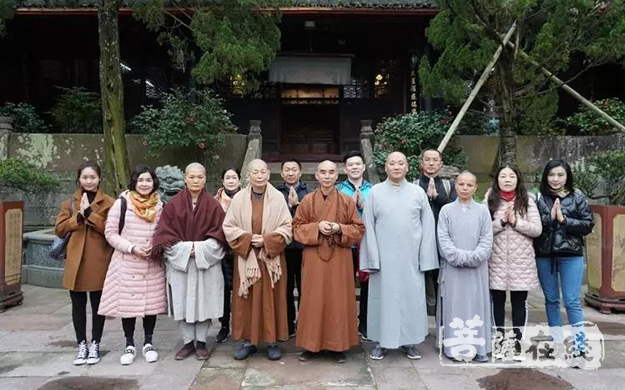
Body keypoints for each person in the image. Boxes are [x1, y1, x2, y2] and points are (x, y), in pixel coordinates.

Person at [360, 151, 438, 361]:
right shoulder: (375, 192)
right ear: (385, 167)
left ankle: (409, 341)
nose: (396, 167)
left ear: (407, 167)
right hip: (383, 260)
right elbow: (367, 226)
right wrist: (372, 259)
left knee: (411, 300)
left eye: (400, 163)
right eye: (392, 163)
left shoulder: (417, 193)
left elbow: (428, 227)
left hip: (410, 258)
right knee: (381, 300)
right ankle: (380, 342)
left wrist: (425, 258)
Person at [152, 162, 227, 361]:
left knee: (205, 301)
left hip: (206, 263)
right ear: (185, 178)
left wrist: (200, 250)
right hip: (181, 264)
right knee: (183, 300)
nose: (196, 180)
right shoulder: (173, 205)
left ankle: (201, 342)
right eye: (192, 177)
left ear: (205, 179)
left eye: (200, 177)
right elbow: (165, 234)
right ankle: (187, 342)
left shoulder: (213, 205)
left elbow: (221, 234)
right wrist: (186, 250)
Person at [293, 160, 364, 364]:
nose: (326, 176)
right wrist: (317, 227)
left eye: (331, 172)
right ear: (316, 176)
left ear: (336, 176)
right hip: (314, 257)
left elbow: (359, 229)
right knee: (312, 300)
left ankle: (337, 346)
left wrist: (339, 228)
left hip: (339, 259)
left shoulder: (346, 201)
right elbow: (296, 228)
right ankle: (310, 345)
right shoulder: (307, 200)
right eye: (322, 172)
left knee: (337, 300)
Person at [222, 159, 293, 361]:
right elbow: (228, 227)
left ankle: (272, 341)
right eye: (255, 172)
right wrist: (248, 239)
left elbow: (288, 228)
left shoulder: (278, 198)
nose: (260, 175)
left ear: (269, 174)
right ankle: (248, 341)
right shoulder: (238, 199)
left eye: (263, 172)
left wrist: (267, 240)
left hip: (270, 259)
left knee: (272, 301)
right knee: (246, 300)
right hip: (247, 258)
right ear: (248, 176)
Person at [99, 165, 167, 365]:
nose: (145, 184)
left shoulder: (159, 205)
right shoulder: (122, 203)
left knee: (150, 305)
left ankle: (148, 342)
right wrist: (131, 247)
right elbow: (110, 233)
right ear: (134, 183)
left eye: (148, 180)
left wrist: (157, 248)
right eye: (140, 180)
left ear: (153, 182)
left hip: (151, 263)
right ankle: (129, 343)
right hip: (127, 263)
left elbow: (163, 231)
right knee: (127, 306)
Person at [54, 161, 114, 365]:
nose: (89, 181)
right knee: (77, 305)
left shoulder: (109, 202)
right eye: (85, 177)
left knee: (98, 305)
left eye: (93, 177)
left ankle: (95, 343)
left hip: (99, 260)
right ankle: (81, 344)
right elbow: (60, 229)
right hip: (75, 261)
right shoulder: (70, 202)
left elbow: (111, 230)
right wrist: (77, 217)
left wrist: (90, 214)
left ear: (99, 178)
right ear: (79, 179)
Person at [533, 159, 594, 354]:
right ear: (545, 176)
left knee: (571, 301)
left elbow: (588, 225)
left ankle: (579, 347)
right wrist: (550, 218)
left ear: (567, 176)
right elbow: (535, 227)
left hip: (571, 255)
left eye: (560, 175)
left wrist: (564, 219)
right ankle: (556, 343)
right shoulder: (538, 198)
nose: (555, 179)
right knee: (551, 300)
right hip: (545, 255)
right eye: (551, 175)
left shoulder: (577, 197)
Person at [485, 164, 542, 361]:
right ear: (497, 179)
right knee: (497, 303)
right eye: (503, 176)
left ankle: (518, 344)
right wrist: (501, 223)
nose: (507, 179)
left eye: (511, 176)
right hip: (496, 260)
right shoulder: (490, 199)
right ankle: (499, 343)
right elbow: (483, 230)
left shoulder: (528, 201)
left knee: (519, 303)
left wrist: (516, 222)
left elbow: (537, 229)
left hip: (522, 262)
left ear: (518, 179)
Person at [437, 171, 493, 363]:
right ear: (455, 185)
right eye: (461, 184)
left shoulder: (483, 211)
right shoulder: (446, 211)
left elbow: (486, 240)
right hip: (453, 270)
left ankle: (480, 348)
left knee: (478, 305)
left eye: (469, 185)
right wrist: (459, 257)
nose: (465, 188)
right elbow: (443, 240)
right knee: (454, 306)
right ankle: (454, 349)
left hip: (478, 270)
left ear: (475, 188)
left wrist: (474, 257)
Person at [415, 148, 457, 316]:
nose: (431, 163)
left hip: (444, 238)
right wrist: (426, 198)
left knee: (443, 272)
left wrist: (437, 197)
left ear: (441, 163)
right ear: (421, 163)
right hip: (421, 238)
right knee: (423, 272)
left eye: (435, 160)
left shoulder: (449, 185)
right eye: (427, 160)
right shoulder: (414, 186)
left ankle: (443, 308)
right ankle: (423, 308)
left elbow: (454, 209)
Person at [336, 151, 373, 340]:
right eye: (350, 165)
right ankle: (346, 323)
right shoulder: (338, 190)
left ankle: (365, 323)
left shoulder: (374, 189)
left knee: (368, 286)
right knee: (344, 285)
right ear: (345, 169)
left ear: (364, 167)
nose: (354, 167)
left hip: (367, 243)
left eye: (358, 164)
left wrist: (365, 206)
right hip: (346, 245)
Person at [276, 159, 312, 338]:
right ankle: (288, 324)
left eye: (294, 170)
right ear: (282, 174)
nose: (290, 173)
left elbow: (310, 219)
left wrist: (297, 206)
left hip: (305, 248)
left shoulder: (309, 193)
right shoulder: (275, 193)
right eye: (287, 170)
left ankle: (304, 324)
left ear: (300, 172)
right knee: (286, 288)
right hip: (284, 248)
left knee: (306, 288)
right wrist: (288, 207)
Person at [214, 167, 242, 343]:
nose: (231, 180)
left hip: (242, 249)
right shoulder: (215, 202)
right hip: (222, 251)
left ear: (240, 180)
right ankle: (224, 326)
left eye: (234, 177)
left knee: (243, 290)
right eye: (227, 177)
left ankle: (242, 326)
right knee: (223, 290)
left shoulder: (246, 198)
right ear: (222, 181)